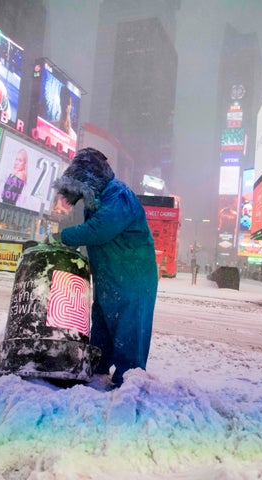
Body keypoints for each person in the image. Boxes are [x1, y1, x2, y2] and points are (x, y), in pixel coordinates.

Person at [51, 148, 158, 387]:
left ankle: (128, 379)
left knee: (128, 327)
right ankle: (97, 365)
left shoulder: (118, 195)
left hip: (133, 278)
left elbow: (99, 230)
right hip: (111, 276)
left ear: (91, 176)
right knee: (102, 323)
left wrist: (64, 237)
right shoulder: (99, 197)